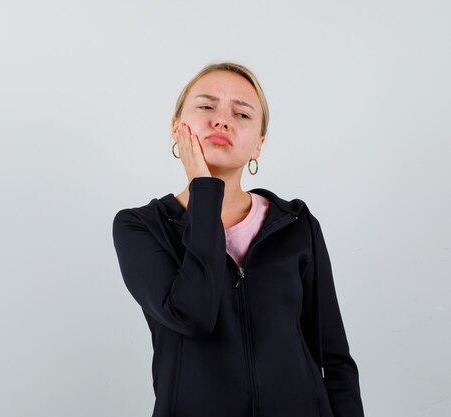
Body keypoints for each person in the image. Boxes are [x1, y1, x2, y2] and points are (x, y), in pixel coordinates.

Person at [112, 62, 364, 417]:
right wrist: (204, 189)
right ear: (176, 128)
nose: (222, 120)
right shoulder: (141, 227)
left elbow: (334, 358)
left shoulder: (296, 224)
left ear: (258, 146)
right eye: (206, 107)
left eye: (242, 114)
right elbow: (194, 315)